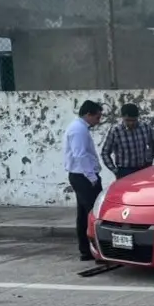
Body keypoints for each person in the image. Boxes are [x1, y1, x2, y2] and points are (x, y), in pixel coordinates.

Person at [64, 100, 104, 261]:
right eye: (97, 117)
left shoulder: (78, 128)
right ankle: (96, 249)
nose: (98, 121)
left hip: (81, 176)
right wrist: (92, 177)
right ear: (89, 114)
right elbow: (79, 155)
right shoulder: (79, 130)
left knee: (83, 215)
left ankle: (86, 250)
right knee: (93, 214)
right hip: (84, 177)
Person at [100, 103, 154, 179]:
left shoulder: (145, 127)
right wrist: (115, 171)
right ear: (123, 117)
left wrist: (150, 160)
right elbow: (105, 153)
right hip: (125, 171)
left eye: (133, 120)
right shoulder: (116, 131)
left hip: (144, 168)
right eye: (127, 120)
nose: (131, 123)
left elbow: (153, 144)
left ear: (137, 117)